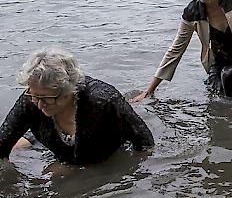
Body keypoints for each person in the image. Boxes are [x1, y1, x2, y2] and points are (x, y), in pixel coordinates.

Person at [0, 48, 154, 165]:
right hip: (55, 141)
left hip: (97, 147)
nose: (39, 104)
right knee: (20, 146)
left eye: (47, 98)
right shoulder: (30, 100)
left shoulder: (104, 101)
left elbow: (145, 143)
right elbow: (2, 145)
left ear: (68, 91)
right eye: (35, 96)